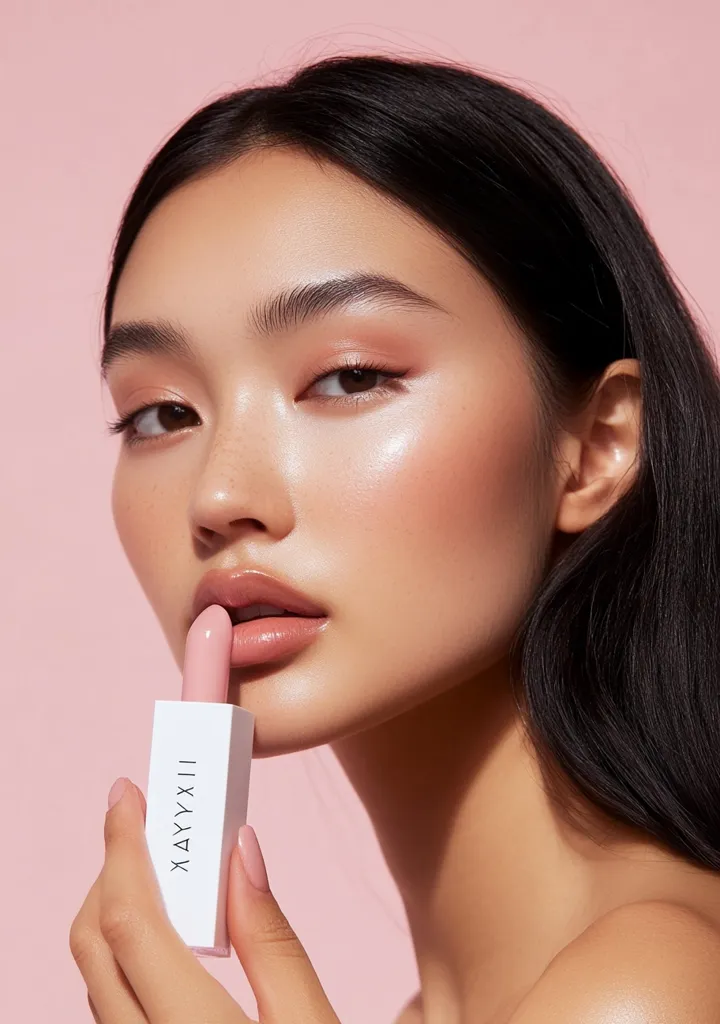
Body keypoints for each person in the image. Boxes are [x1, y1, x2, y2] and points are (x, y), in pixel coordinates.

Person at [69, 53, 720, 1023]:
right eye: (162, 414)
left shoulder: (644, 992)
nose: (219, 495)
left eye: (349, 377)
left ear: (595, 448)